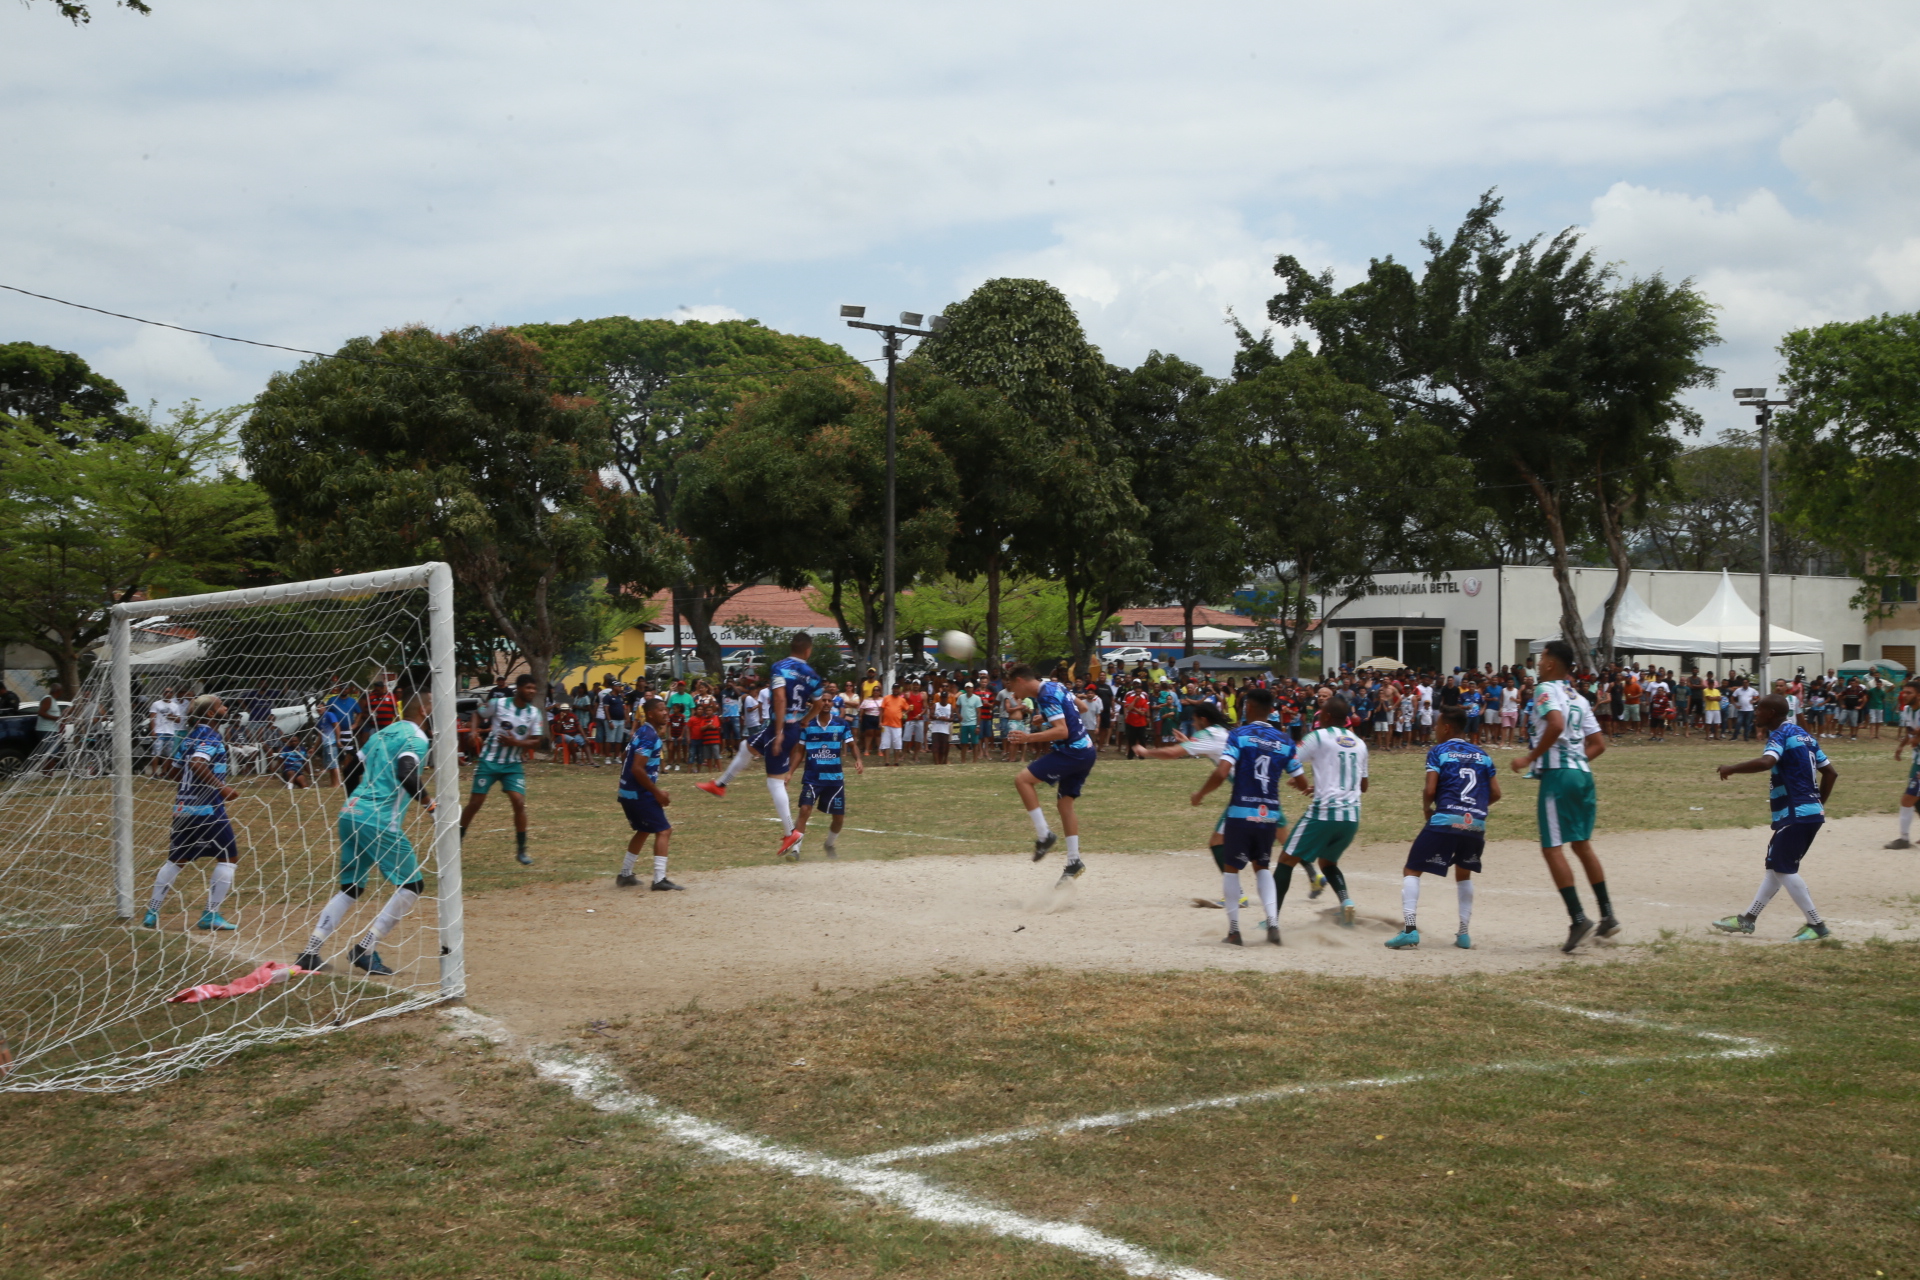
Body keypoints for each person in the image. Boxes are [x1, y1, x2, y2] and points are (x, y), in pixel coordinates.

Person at [295, 678, 438, 975]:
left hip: (351, 813)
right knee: (412, 885)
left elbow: (350, 770)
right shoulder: (417, 737)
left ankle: (310, 952)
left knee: (351, 888)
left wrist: (357, 803)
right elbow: (405, 771)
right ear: (425, 709)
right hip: (379, 818)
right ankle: (365, 948)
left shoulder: (382, 734)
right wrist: (430, 804)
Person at [1511, 639, 1617, 953]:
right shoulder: (1579, 698)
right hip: (1582, 774)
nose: (1538, 661)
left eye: (1542, 657)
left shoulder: (1546, 689)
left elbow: (1555, 724)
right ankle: (1608, 915)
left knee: (1552, 847)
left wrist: (1530, 758)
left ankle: (1578, 918)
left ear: (1551, 663)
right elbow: (1598, 744)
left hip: (1558, 777)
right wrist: (1576, 761)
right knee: (1581, 844)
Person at [1711, 694, 1837, 940]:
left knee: (1783, 868)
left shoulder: (1780, 734)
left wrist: (1732, 768)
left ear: (1770, 713)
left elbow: (1768, 761)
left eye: (1758, 710)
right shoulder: (1806, 736)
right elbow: (1830, 773)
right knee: (1775, 868)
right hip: (1808, 812)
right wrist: (1817, 803)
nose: (1755, 713)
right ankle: (1747, 919)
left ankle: (1816, 925)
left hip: (1796, 812)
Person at [1187, 691, 1299, 945]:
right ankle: (1273, 924)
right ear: (1271, 710)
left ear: (1248, 706)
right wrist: (1303, 785)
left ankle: (1235, 931)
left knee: (1231, 870)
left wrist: (1201, 793)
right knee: (1262, 868)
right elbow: (1299, 776)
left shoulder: (1238, 735)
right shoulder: (1284, 740)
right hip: (1269, 813)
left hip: (1240, 812)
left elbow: (1222, 771)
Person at [1387, 705, 1502, 950]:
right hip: (1476, 824)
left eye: (1438, 725)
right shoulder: (1483, 755)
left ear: (1447, 728)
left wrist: (1427, 808)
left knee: (1411, 869)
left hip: (1446, 819)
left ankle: (1409, 929)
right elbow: (1496, 793)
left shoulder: (1438, 751)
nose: (1436, 730)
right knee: (1464, 874)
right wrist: (1477, 807)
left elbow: (1430, 790)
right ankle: (1463, 934)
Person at [698, 632, 821, 858]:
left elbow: (781, 698)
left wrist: (780, 732)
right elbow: (820, 703)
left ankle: (790, 833)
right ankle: (721, 784)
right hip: (785, 726)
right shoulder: (812, 675)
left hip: (779, 726)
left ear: (792, 647)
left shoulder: (780, 667)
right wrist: (805, 719)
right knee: (747, 747)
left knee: (774, 782)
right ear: (808, 651)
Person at [142, 694, 243, 931]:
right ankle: (210, 915)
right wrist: (221, 787)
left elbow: (173, 772)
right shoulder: (211, 736)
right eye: (221, 704)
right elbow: (198, 763)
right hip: (207, 808)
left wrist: (191, 783)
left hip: (182, 808)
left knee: (176, 860)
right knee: (229, 858)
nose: (226, 706)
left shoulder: (188, 738)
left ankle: (152, 912)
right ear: (210, 714)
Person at [1279, 696, 1369, 927]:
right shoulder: (1359, 743)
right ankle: (1346, 901)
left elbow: (1289, 759)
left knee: (1285, 860)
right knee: (1328, 863)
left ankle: (1271, 920)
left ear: (1326, 716)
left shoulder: (1318, 736)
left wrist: (1300, 780)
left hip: (1325, 812)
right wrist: (1320, 784)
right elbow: (1363, 786)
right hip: (1351, 816)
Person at [1006, 665, 1098, 884]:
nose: (1011, 692)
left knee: (1022, 781)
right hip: (1086, 751)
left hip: (1072, 751)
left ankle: (1044, 835)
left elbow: (1062, 731)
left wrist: (1028, 738)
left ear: (1020, 680)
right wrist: (1046, 720)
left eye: (1010, 686)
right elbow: (1082, 708)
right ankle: (1074, 860)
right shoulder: (1054, 686)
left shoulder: (1045, 696)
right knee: (1065, 805)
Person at [460, 673, 547, 866]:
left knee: (519, 801)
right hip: (489, 760)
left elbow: (537, 742)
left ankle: (521, 850)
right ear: (519, 689)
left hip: (512, 764)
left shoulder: (534, 713)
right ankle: (456, 840)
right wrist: (473, 732)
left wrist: (515, 742)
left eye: (534, 688)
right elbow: (477, 713)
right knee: (475, 803)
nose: (532, 691)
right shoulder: (499, 704)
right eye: (528, 688)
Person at [614, 698, 681, 890]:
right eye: (661, 710)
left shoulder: (641, 731)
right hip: (639, 792)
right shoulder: (649, 736)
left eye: (666, 710)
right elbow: (637, 768)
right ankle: (659, 880)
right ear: (650, 714)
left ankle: (625, 875)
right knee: (664, 830)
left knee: (644, 829)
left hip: (627, 791)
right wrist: (656, 792)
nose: (666, 713)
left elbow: (624, 756)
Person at [789, 697, 865, 859]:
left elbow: (852, 745)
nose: (825, 703)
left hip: (834, 778)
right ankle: (796, 849)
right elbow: (799, 752)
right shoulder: (807, 725)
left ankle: (829, 845)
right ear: (816, 704)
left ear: (833, 704)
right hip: (812, 777)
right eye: (822, 700)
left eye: (829, 700)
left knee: (838, 818)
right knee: (804, 810)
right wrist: (789, 772)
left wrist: (858, 759)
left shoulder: (842, 724)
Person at [1886, 709, 1920, 849]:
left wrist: (1915, 736)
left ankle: (1904, 839)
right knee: (1917, 801)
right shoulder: (1908, 710)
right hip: (1916, 762)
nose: (1904, 694)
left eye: (1909, 692)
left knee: (1908, 799)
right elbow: (1911, 732)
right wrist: (1901, 746)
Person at [148, 685, 186, 778]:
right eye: (166, 692)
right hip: (159, 731)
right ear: (163, 693)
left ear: (172, 694)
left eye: (170, 692)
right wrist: (153, 731)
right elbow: (152, 718)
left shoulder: (174, 706)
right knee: (156, 753)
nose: (168, 694)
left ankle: (164, 772)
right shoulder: (156, 704)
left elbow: (178, 720)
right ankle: (154, 772)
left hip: (170, 732)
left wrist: (171, 716)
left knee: (168, 754)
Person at [957, 682, 983, 763]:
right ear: (965, 688)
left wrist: (978, 725)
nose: (968, 689)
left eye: (970, 687)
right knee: (963, 743)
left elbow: (979, 712)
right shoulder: (961, 697)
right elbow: (957, 707)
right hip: (964, 723)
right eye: (967, 687)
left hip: (973, 723)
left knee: (975, 743)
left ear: (972, 688)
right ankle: (963, 761)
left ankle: (974, 761)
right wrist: (958, 715)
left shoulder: (977, 698)